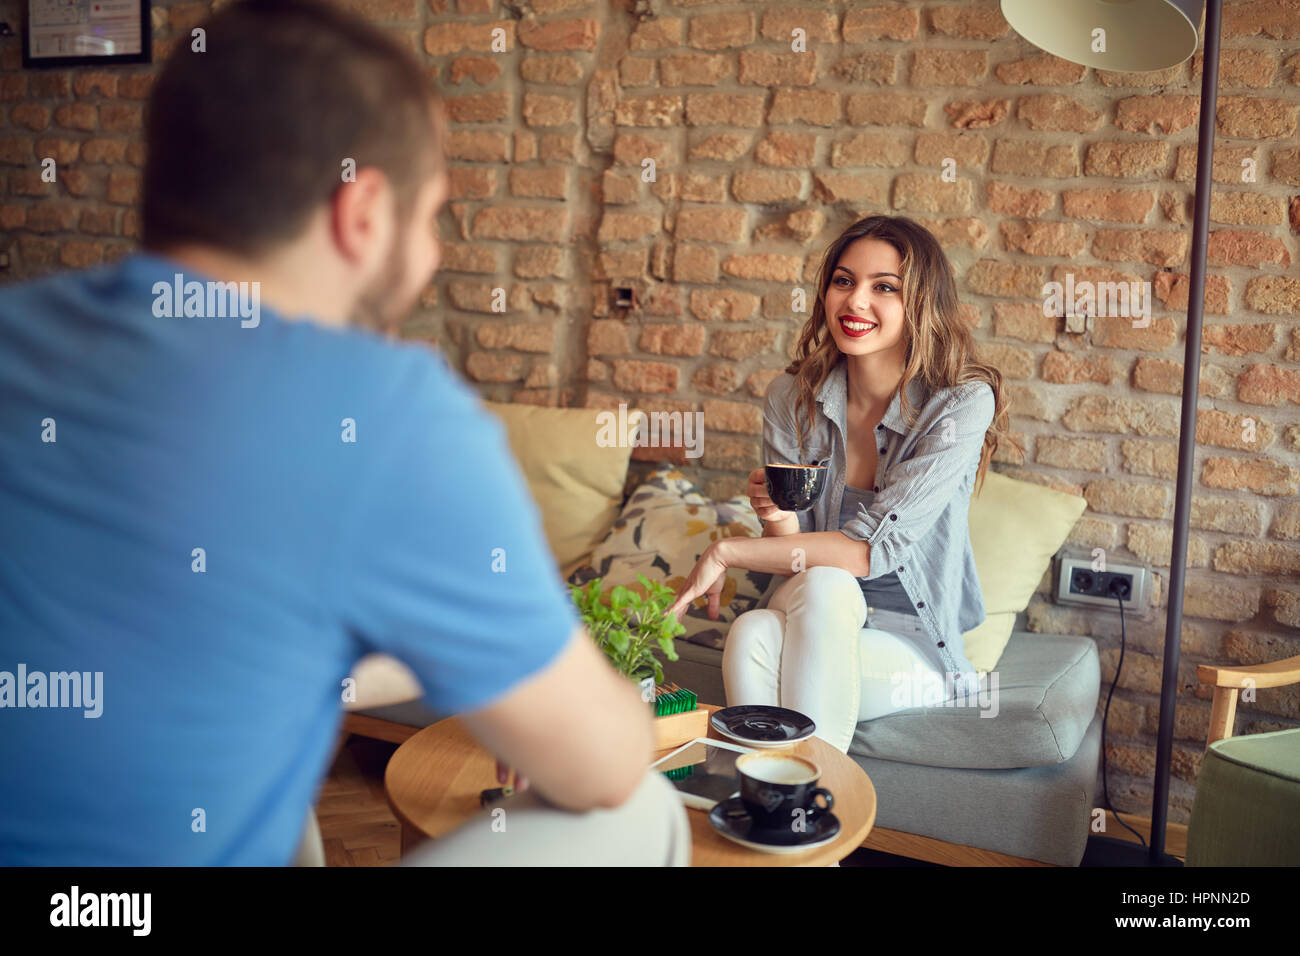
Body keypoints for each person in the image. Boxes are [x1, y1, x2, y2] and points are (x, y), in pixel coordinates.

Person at [0, 0, 688, 866]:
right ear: (361, 211)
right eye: (431, 214)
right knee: (642, 814)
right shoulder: (387, 414)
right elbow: (605, 766)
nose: (432, 252)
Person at [668, 216, 1020, 755]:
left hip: (909, 641)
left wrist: (728, 551)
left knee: (768, 626)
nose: (855, 302)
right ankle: (797, 813)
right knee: (763, 624)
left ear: (920, 303)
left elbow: (869, 550)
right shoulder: (792, 396)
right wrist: (777, 514)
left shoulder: (959, 404)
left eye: (884, 287)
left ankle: (784, 801)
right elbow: (795, 552)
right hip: (809, 604)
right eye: (843, 280)